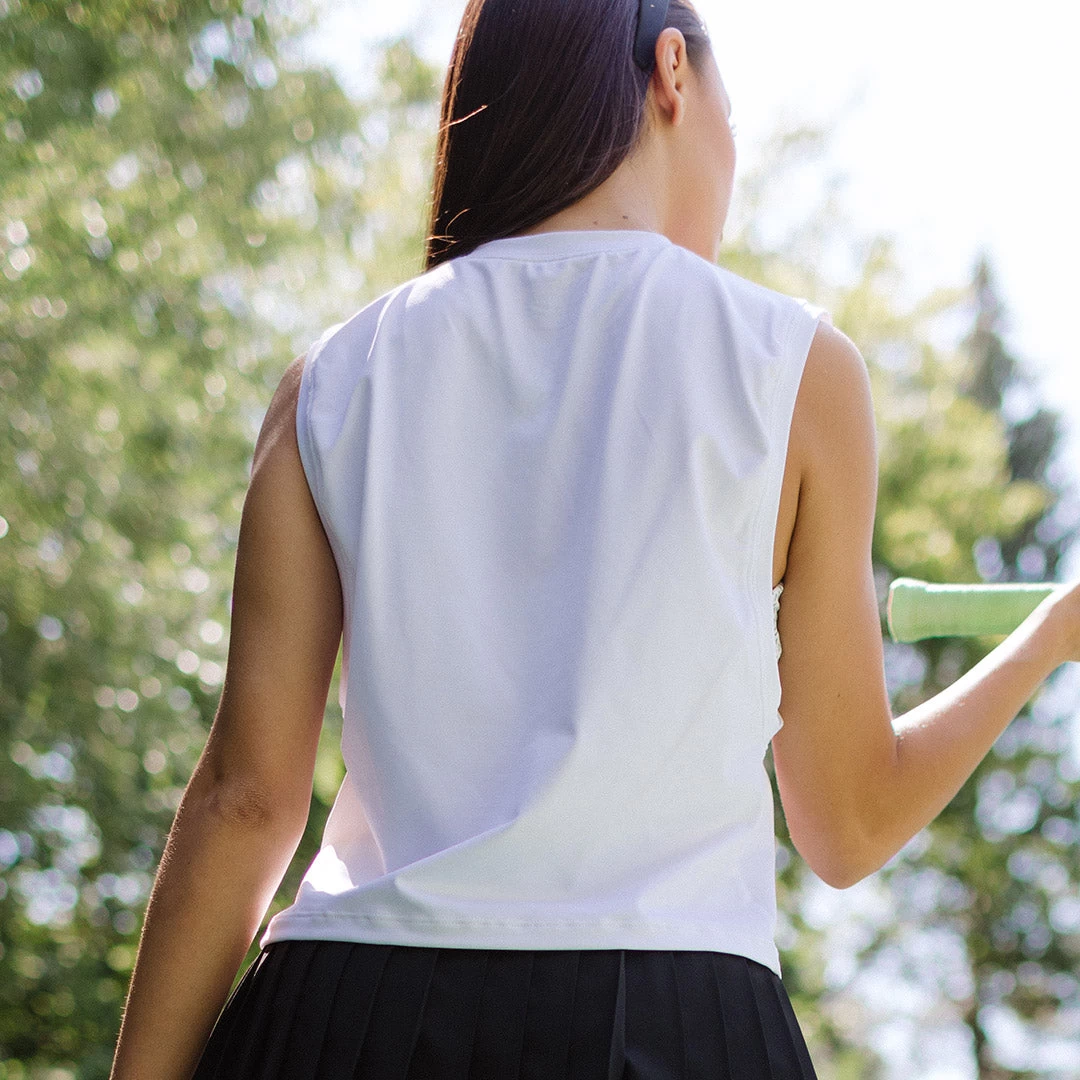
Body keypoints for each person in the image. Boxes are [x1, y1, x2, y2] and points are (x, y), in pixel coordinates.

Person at [109, 0, 1080, 1077]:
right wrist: (1045, 637)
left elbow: (247, 800)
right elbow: (846, 824)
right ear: (673, 70)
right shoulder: (794, 368)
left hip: (344, 1008)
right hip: (672, 1007)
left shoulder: (333, 378)